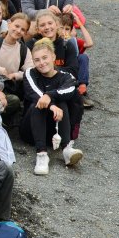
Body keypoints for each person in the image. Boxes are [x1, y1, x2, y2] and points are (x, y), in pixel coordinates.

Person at [21, 38, 84, 175]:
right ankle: (41, 154)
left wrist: (49, 95)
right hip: (31, 130)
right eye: (37, 60)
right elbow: (34, 93)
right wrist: (51, 105)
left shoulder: (66, 76)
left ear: (53, 57)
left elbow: (69, 90)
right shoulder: (30, 73)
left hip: (55, 132)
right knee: (39, 104)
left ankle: (66, 149)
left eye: (45, 58)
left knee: (61, 101)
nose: (41, 63)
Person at [27, 10, 79, 78]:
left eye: (50, 23)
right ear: (38, 30)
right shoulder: (31, 45)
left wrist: (49, 70)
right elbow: (29, 70)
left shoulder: (67, 45)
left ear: (57, 25)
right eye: (42, 25)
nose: (47, 27)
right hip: (39, 82)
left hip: (62, 82)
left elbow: (73, 71)